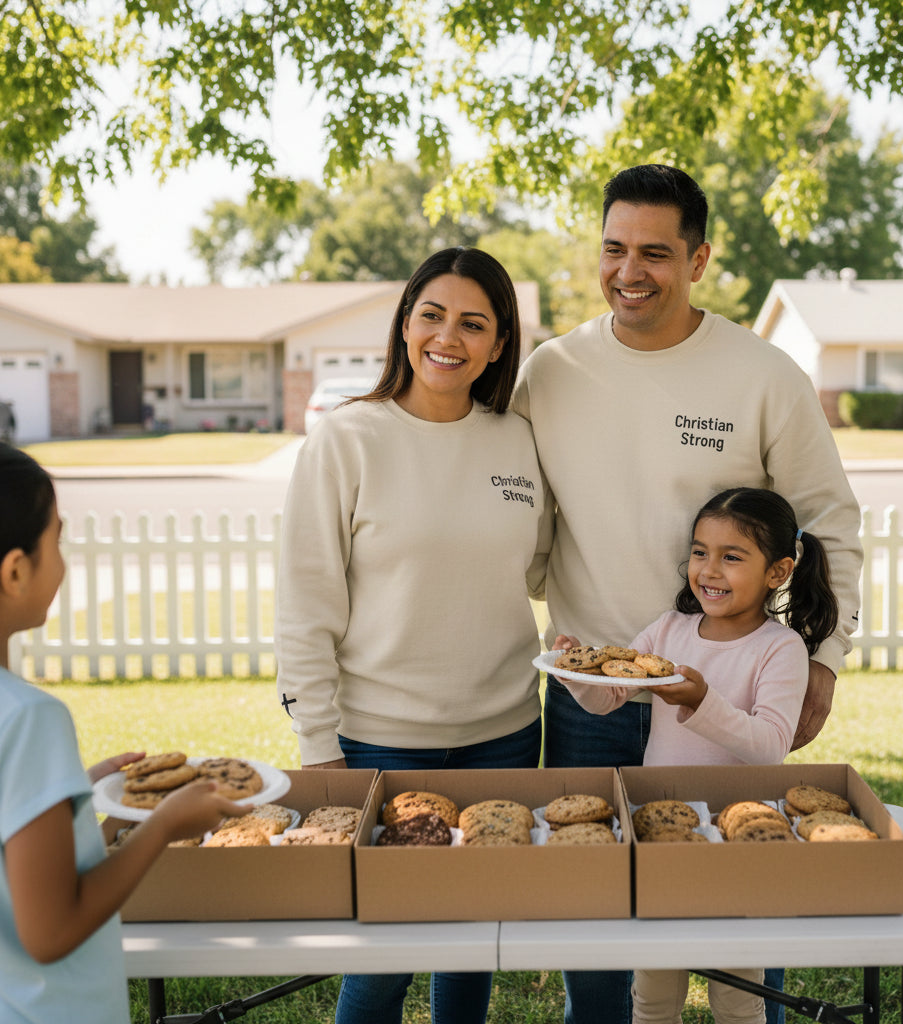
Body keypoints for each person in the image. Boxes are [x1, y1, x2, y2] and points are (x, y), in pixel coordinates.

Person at [512, 163, 863, 1024]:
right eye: (614, 248)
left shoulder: (762, 373)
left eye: (656, 253)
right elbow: (518, 517)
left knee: (741, 900)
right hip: (594, 695)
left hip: (728, 688)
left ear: (698, 258)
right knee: (594, 922)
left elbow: (830, 520)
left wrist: (823, 657)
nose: (630, 271)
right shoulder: (550, 372)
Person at [274, 246, 552, 1024]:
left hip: (502, 733)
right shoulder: (348, 439)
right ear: (403, 326)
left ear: (499, 345)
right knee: (385, 957)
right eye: (431, 315)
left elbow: (535, 568)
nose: (448, 337)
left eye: (473, 323)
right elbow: (305, 605)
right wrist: (319, 747)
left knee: (472, 946)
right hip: (378, 743)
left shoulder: (515, 441)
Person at [554, 487, 839, 1024]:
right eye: (700, 551)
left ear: (778, 572)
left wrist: (701, 701)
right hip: (660, 836)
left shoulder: (780, 649)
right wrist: (577, 672)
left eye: (732, 557)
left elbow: (769, 747)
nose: (709, 569)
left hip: (740, 846)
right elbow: (607, 697)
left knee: (737, 1000)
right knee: (654, 997)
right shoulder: (669, 630)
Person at [0, 446, 249, 1024]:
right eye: (56, 541)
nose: (64, 561)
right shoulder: (30, 719)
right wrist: (163, 826)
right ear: (15, 570)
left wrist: (68, 793)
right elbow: (52, 929)